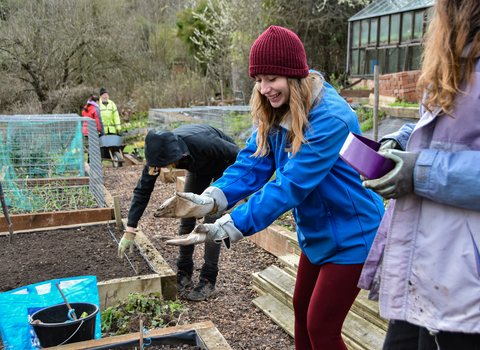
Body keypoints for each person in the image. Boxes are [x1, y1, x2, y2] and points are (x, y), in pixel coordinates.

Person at [156, 26, 385, 349]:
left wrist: (229, 225)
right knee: (301, 312)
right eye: (258, 79)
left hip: (352, 233)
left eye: (271, 78)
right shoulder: (278, 109)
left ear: (294, 76)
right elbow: (253, 161)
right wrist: (209, 200)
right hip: (319, 232)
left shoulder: (330, 118)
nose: (264, 88)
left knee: (321, 327)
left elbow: (289, 185)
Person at [358, 1, 480, 348]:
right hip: (428, 261)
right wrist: (400, 138)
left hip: (464, 277)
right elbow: (443, 128)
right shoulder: (457, 51)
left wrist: (419, 172)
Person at [118, 124, 240, 301]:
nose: (159, 170)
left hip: (224, 167)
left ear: (172, 156)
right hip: (199, 169)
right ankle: (184, 270)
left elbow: (239, 154)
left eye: (162, 166)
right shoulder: (159, 153)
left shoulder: (201, 141)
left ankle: (208, 279)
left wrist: (240, 188)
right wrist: (130, 229)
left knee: (212, 222)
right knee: (186, 214)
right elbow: (142, 190)